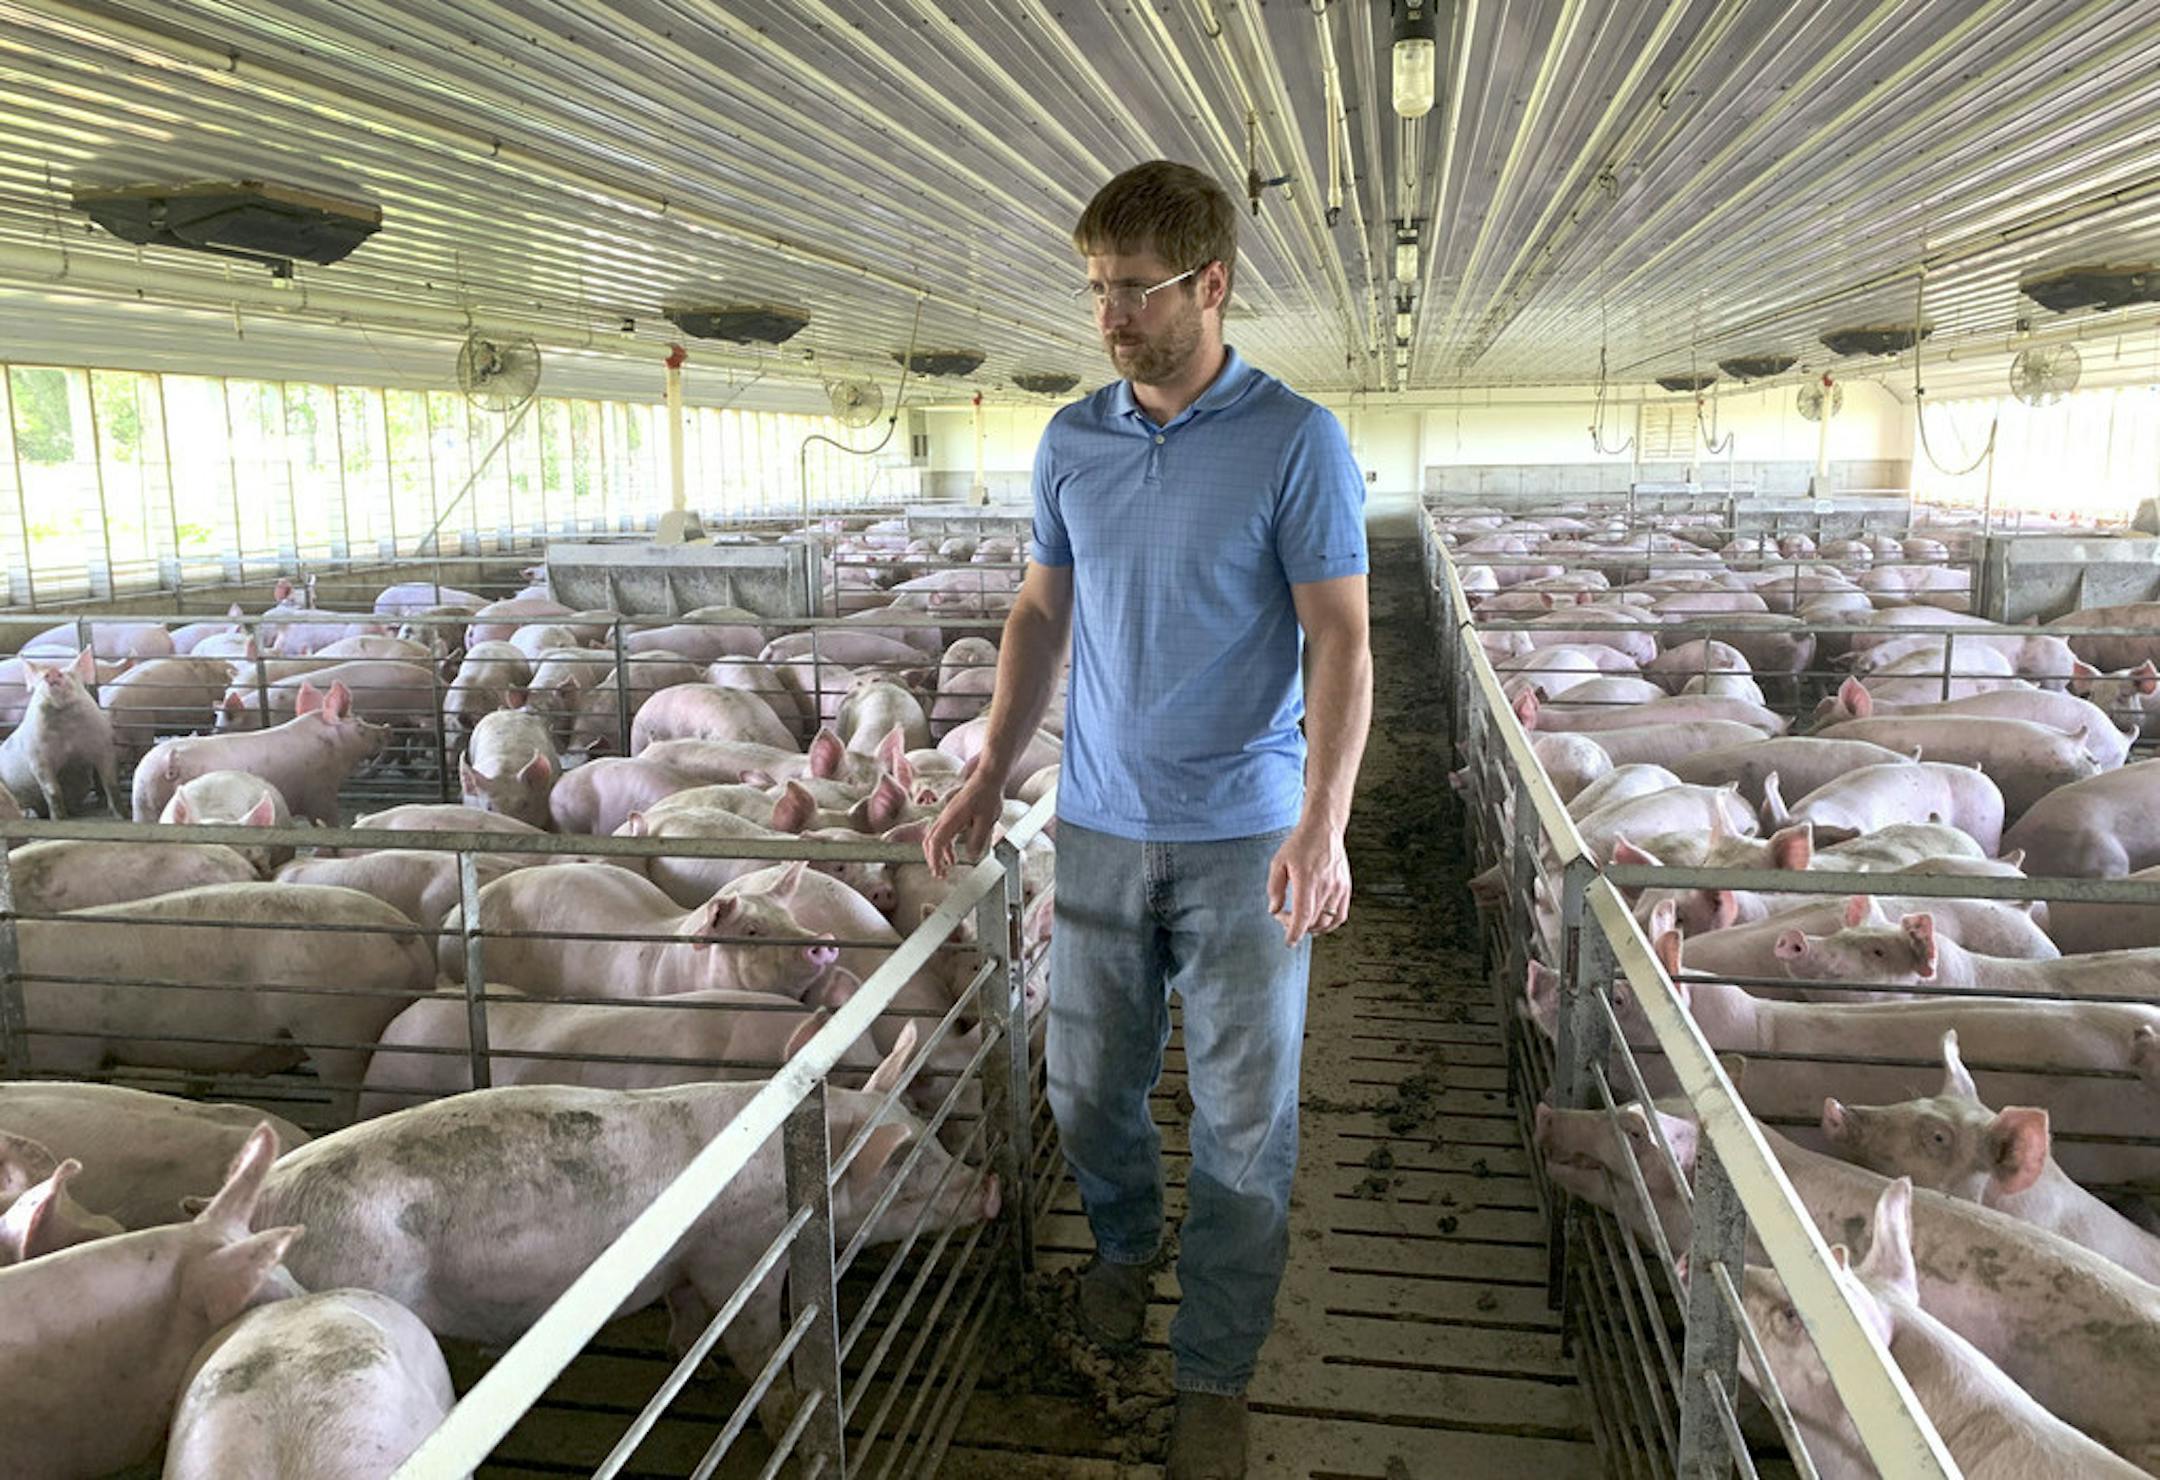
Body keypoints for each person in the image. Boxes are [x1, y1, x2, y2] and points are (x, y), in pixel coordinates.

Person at [922, 159, 1373, 1479]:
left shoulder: (1297, 441)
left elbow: (1340, 642)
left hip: (1248, 838)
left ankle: (1216, 1371)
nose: (1110, 316)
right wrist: (995, 763)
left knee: (1245, 1118)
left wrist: (1326, 818)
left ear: (1211, 285)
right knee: (1082, 1088)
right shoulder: (1073, 443)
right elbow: (1039, 613)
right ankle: (1124, 1249)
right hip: (1102, 823)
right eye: (1098, 291)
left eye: (1134, 290)